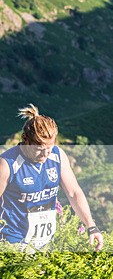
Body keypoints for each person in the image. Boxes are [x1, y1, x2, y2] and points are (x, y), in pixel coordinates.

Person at [0, 104, 103, 251]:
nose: (45, 154)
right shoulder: (7, 164)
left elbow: (74, 193)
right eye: (39, 149)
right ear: (25, 139)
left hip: (45, 245)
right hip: (12, 245)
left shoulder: (57, 156)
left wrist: (91, 226)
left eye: (49, 148)